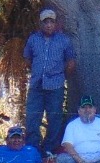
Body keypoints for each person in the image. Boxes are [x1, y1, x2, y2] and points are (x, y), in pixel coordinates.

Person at [24, 9, 78, 154]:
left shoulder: (64, 40)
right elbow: (27, 59)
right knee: (32, 117)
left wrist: (61, 77)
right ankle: (33, 149)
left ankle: (49, 148)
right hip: (36, 84)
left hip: (56, 85)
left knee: (54, 118)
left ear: (56, 23)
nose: (48, 25)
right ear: (40, 23)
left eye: (51, 22)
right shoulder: (33, 39)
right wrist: (37, 71)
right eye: (45, 22)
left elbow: (71, 62)